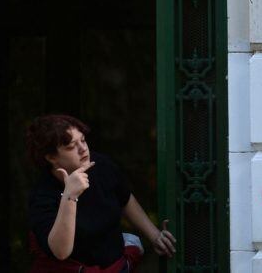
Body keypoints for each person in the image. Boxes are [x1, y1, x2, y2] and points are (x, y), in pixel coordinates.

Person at [26, 114, 177, 272]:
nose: (83, 148)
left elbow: (124, 197)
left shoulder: (101, 165)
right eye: (71, 146)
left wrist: (154, 236)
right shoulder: (42, 196)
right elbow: (61, 252)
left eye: (83, 140)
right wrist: (70, 196)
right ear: (51, 157)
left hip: (118, 266)